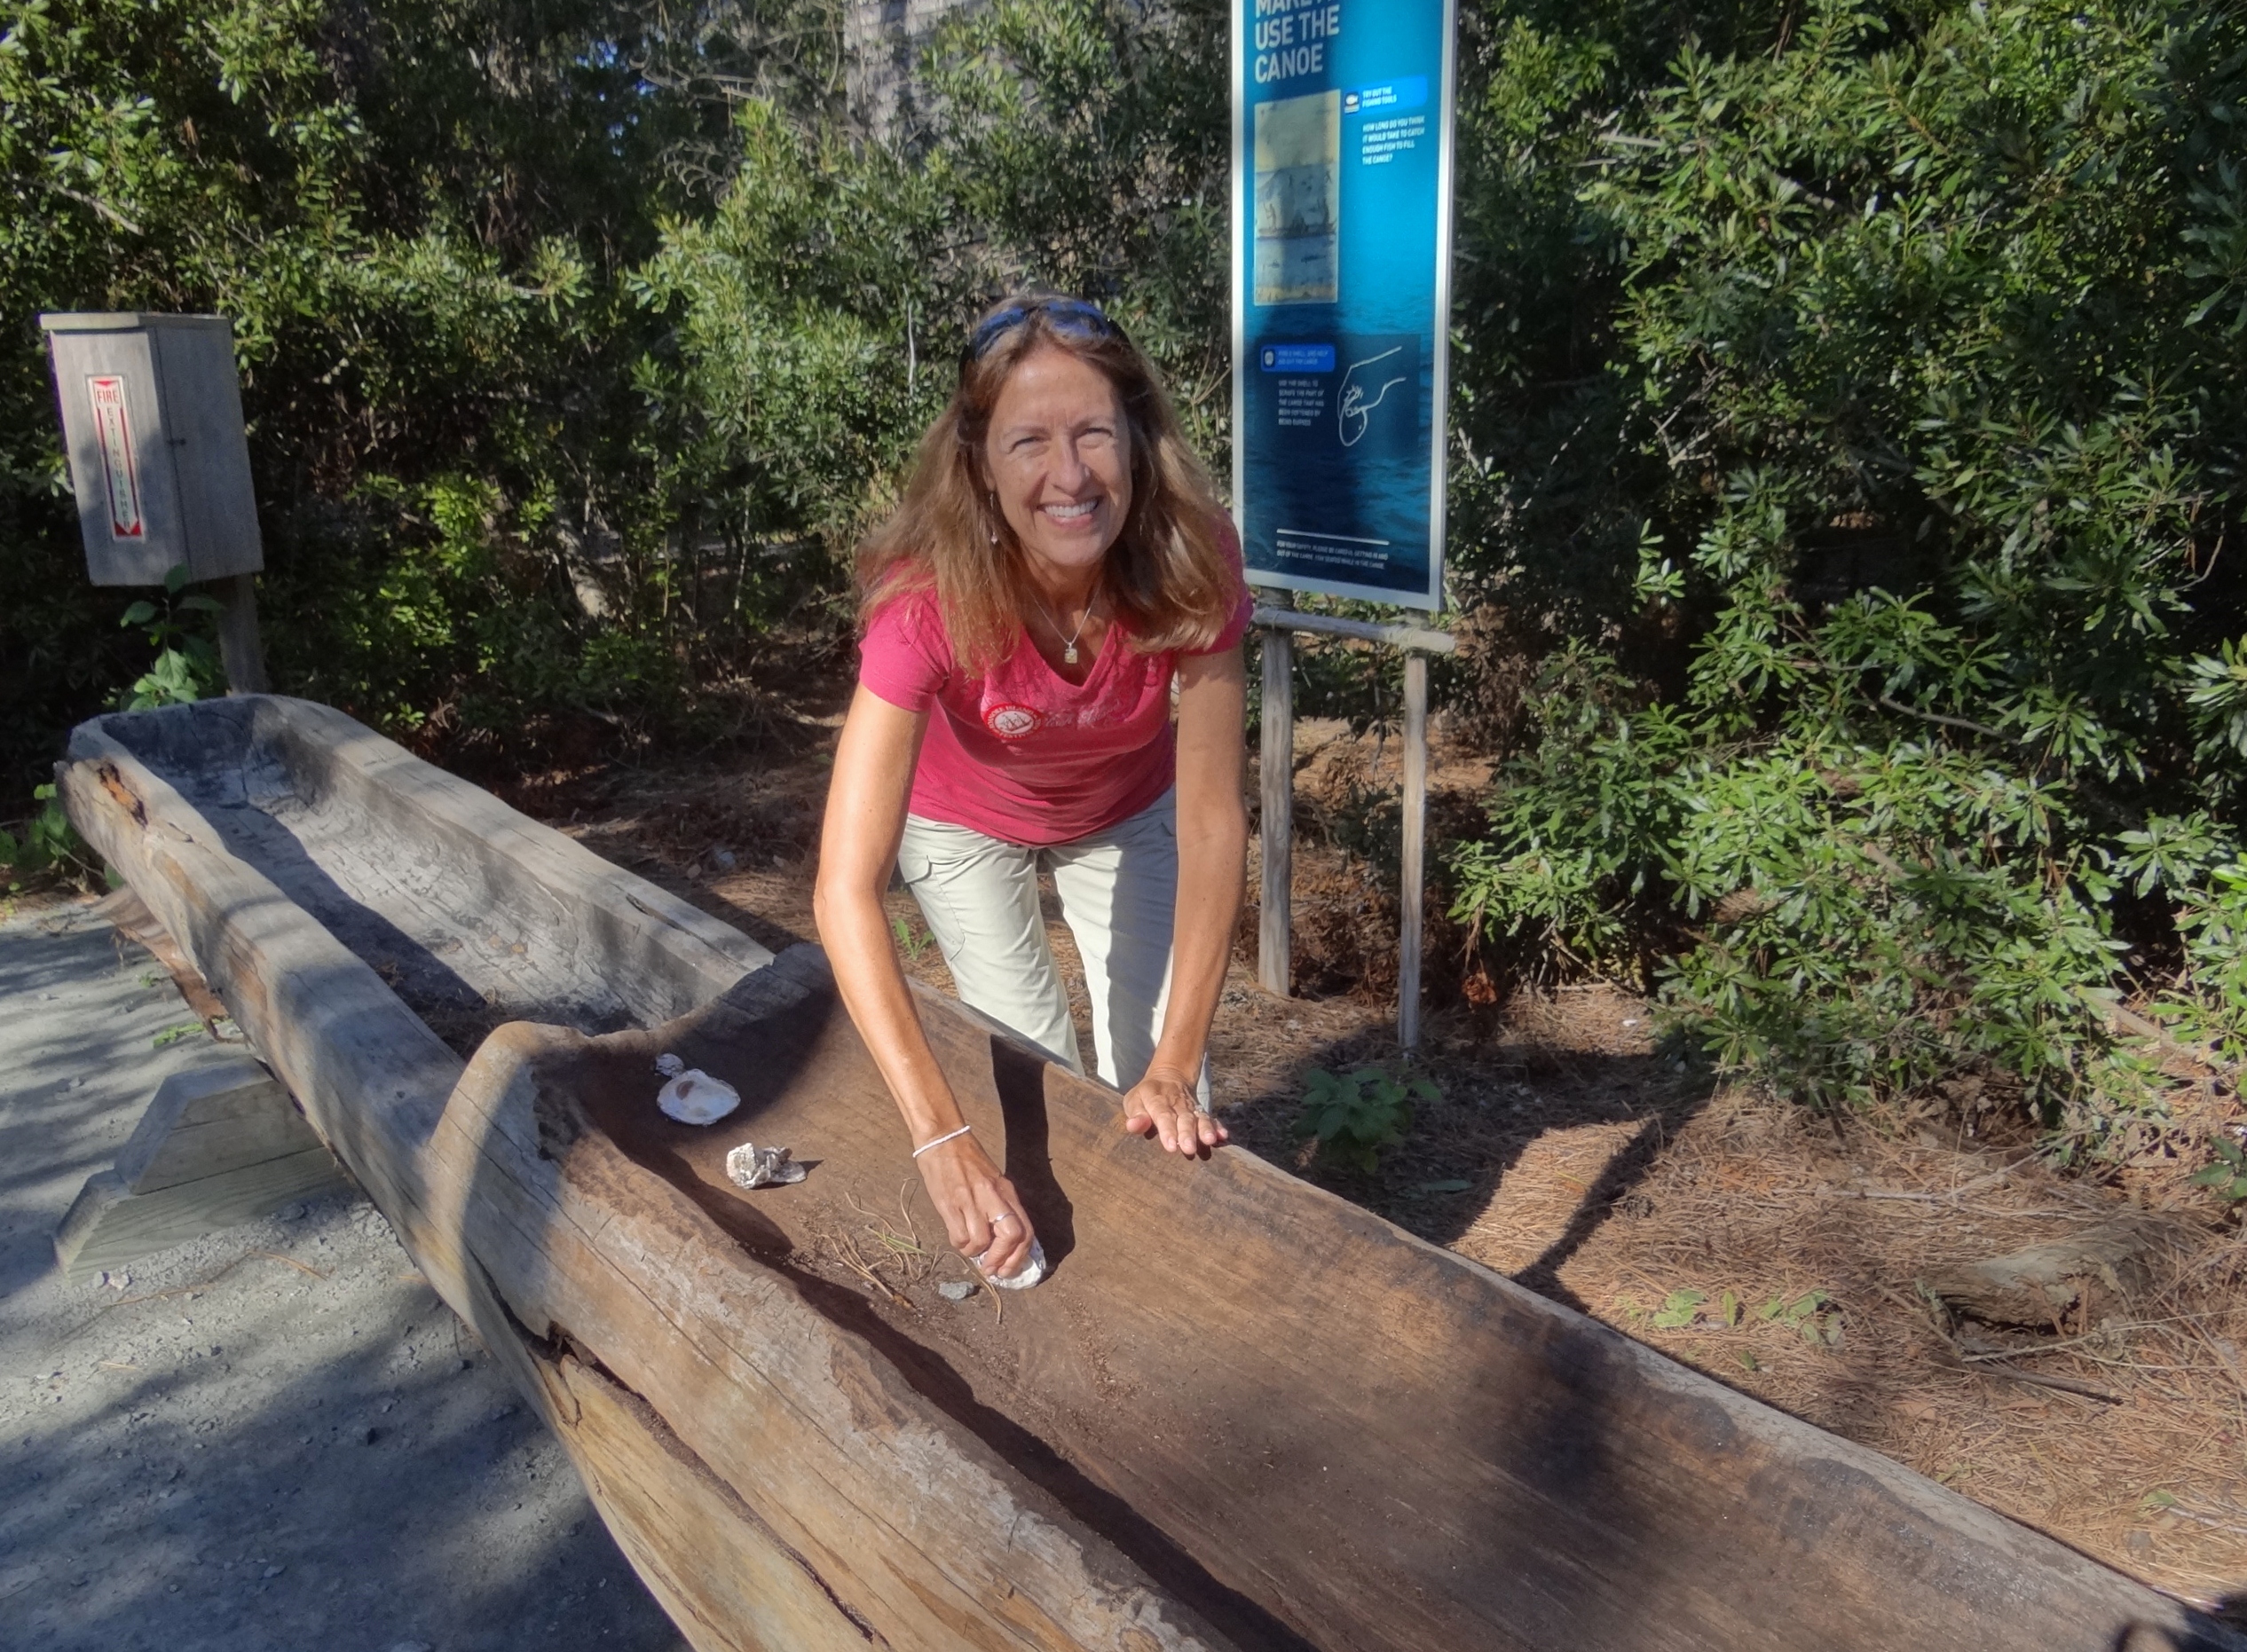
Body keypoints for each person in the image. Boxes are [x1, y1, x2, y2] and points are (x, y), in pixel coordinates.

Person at [813, 293, 1252, 1282]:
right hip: (963, 817)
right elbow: (843, 889)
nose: (1070, 476)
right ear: (978, 462)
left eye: (1094, 433)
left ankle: (1162, 1277)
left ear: (1137, 440)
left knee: (1164, 1081)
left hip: (1125, 807)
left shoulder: (1193, 555)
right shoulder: (924, 597)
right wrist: (939, 1137)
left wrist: (1176, 1063)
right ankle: (1049, 1255)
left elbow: (1212, 822)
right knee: (1034, 1064)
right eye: (1028, 442)